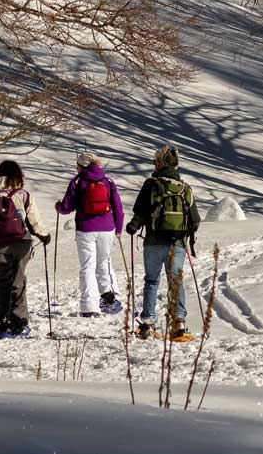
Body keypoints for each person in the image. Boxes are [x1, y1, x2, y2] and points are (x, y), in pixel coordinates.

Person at [124, 145, 201, 341]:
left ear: (160, 163)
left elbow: (140, 212)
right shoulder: (185, 188)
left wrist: (132, 227)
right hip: (177, 243)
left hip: (153, 241)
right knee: (175, 281)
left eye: (155, 161)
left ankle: (148, 323)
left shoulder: (151, 184)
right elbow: (195, 220)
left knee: (151, 281)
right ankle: (179, 324)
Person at [0, 160, 51, 339]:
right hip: (21, 244)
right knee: (18, 281)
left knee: (1, 282)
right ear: (18, 176)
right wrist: (44, 236)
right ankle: (19, 323)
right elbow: (34, 221)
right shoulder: (23, 195)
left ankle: (0, 322)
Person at [55, 152, 124, 317]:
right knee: (104, 262)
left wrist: (58, 206)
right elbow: (118, 207)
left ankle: (90, 307)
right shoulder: (107, 181)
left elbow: (66, 207)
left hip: (86, 229)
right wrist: (119, 228)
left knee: (88, 266)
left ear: (81, 166)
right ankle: (109, 299)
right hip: (107, 228)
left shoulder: (78, 181)